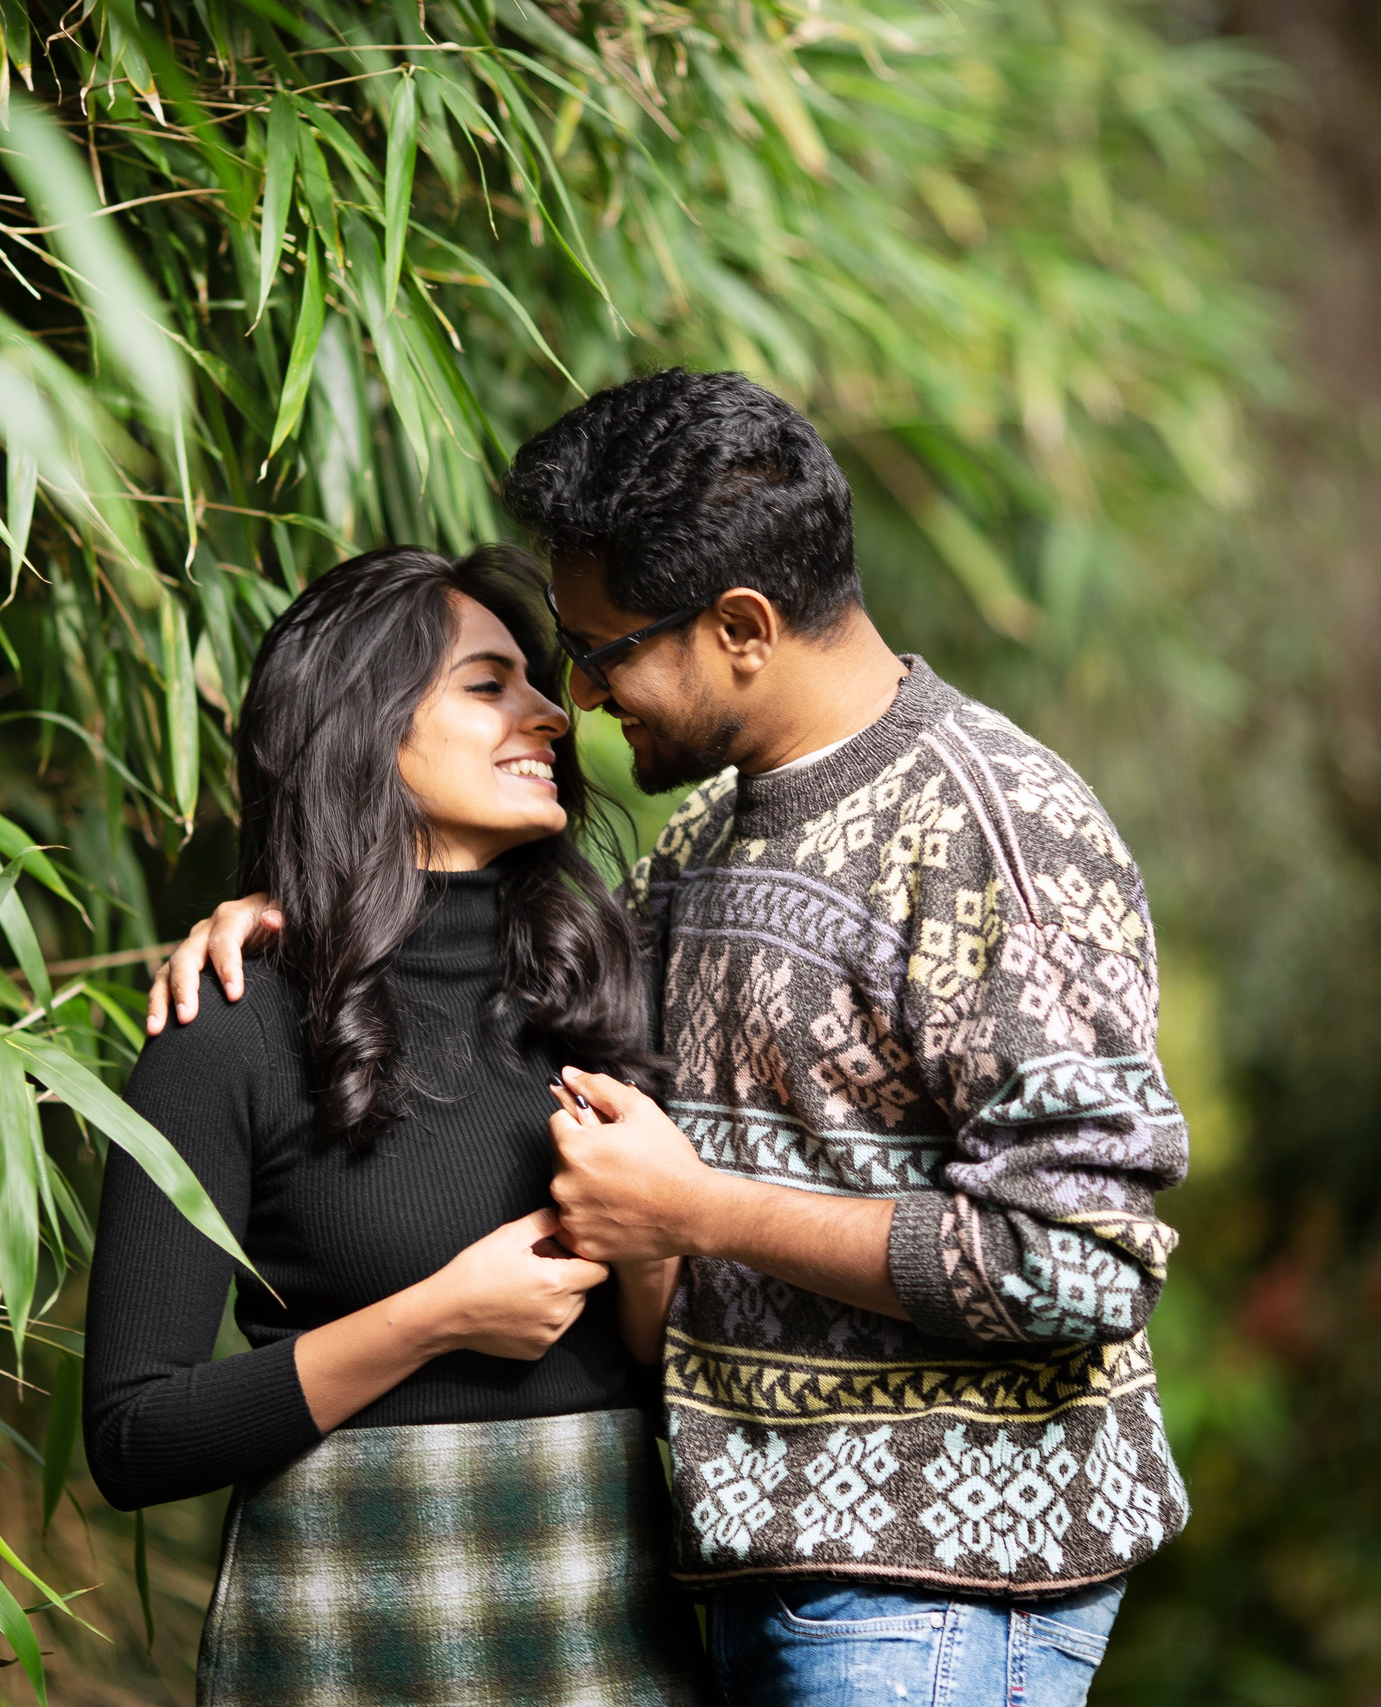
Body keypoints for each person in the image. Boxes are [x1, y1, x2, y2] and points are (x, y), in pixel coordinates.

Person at [148, 370, 1191, 1707]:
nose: (576, 695)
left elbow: (1080, 1259)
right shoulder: (694, 851)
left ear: (742, 626)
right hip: (739, 1569)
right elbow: (463, 952)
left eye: (603, 648)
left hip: (933, 1580)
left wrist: (700, 1207)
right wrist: (298, 907)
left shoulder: (1001, 830)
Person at [84, 546, 706, 1706]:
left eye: (539, 681)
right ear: (362, 729)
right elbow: (134, 1438)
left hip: (610, 1623)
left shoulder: (604, 995)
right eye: (490, 685)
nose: (553, 715)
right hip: (346, 1627)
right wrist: (436, 1320)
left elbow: (689, 1386)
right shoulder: (224, 1029)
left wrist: (655, 1240)